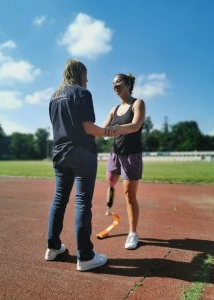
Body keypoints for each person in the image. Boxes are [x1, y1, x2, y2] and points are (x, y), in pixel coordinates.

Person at [45, 59, 120, 271]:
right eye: (86, 75)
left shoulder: (53, 97)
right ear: (79, 73)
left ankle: (53, 248)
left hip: (59, 154)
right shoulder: (81, 92)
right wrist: (109, 131)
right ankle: (85, 256)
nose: (88, 79)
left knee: (59, 200)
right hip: (81, 153)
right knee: (82, 203)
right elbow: (87, 127)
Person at [103, 73, 145, 250]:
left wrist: (117, 128)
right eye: (113, 83)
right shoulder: (113, 109)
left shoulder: (138, 103)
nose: (115, 85)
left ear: (128, 84)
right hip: (115, 153)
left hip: (131, 155)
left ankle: (133, 233)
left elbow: (135, 125)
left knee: (129, 194)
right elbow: (104, 129)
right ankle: (110, 200)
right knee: (111, 181)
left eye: (118, 82)